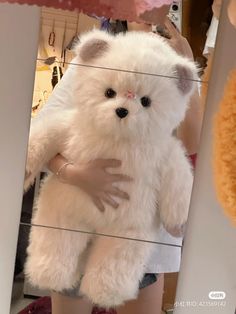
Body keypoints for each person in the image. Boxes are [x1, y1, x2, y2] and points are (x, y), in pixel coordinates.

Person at [40, 18, 202, 314]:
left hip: (141, 238)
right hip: (78, 228)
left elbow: (192, 148)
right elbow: (44, 134)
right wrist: (77, 174)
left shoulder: (176, 68)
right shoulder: (99, 57)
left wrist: (186, 69)